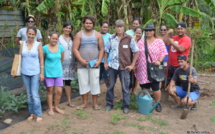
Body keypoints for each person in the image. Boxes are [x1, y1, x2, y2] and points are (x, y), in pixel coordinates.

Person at [104, 19, 139, 114]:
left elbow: (136, 52)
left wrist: (132, 65)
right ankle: (109, 104)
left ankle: (126, 105)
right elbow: (106, 51)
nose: (119, 29)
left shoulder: (129, 38)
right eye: (117, 27)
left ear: (123, 28)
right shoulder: (111, 38)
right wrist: (105, 63)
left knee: (125, 87)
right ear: (115, 28)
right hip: (112, 66)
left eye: (121, 27)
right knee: (110, 86)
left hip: (124, 67)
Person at [73, 15, 104, 110]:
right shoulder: (79, 34)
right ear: (84, 24)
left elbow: (102, 49)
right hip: (82, 65)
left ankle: (95, 104)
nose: (88, 25)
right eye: (86, 23)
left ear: (93, 24)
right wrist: (81, 60)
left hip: (94, 64)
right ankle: (84, 103)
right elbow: (75, 49)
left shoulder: (98, 35)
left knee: (95, 83)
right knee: (83, 84)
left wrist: (99, 61)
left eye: (90, 23)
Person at [135, 24, 168, 112]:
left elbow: (164, 52)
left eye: (150, 30)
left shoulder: (159, 41)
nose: (148, 32)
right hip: (143, 68)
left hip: (154, 68)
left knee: (156, 87)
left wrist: (159, 61)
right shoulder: (141, 41)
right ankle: (148, 103)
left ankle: (157, 103)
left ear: (154, 31)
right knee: (145, 86)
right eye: (147, 31)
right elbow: (136, 53)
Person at [21, 26, 44, 122]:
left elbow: (41, 59)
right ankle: (31, 113)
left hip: (35, 72)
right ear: (26, 34)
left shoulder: (38, 44)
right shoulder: (22, 44)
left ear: (35, 35)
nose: (31, 36)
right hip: (24, 72)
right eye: (29, 33)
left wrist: (42, 73)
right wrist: (16, 71)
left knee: (34, 94)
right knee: (29, 94)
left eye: (33, 34)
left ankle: (38, 114)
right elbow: (19, 57)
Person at [43, 32, 65, 115]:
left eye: (56, 39)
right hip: (48, 73)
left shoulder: (60, 48)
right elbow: (42, 60)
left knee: (59, 91)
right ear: (49, 38)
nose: (54, 40)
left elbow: (62, 59)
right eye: (53, 38)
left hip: (58, 72)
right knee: (50, 90)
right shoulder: (44, 48)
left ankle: (56, 107)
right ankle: (50, 109)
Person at [58, 22, 75, 107]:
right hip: (61, 64)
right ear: (63, 28)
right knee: (59, 82)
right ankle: (57, 102)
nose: (68, 29)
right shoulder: (59, 39)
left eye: (69, 28)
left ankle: (69, 100)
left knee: (68, 82)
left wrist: (75, 63)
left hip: (71, 64)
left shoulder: (73, 39)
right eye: (66, 28)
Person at [99, 21, 111, 88]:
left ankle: (109, 91)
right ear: (100, 27)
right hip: (98, 61)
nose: (105, 28)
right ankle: (96, 92)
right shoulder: (97, 35)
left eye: (106, 27)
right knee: (98, 77)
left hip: (107, 61)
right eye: (104, 27)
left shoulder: (110, 36)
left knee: (107, 78)